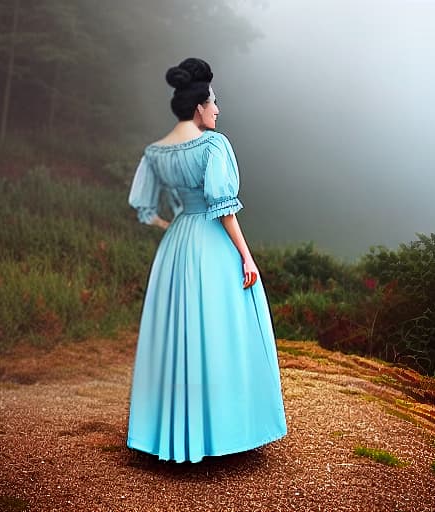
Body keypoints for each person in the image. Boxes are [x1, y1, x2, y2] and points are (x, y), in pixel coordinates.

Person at [126, 58, 287, 463]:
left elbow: (147, 211)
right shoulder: (214, 144)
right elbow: (224, 209)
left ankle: (171, 432)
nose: (217, 110)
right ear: (198, 106)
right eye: (214, 103)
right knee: (219, 330)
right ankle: (224, 430)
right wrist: (247, 257)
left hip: (177, 243)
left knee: (177, 333)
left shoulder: (155, 153)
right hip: (212, 241)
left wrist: (178, 231)